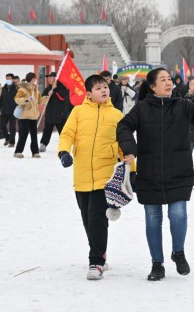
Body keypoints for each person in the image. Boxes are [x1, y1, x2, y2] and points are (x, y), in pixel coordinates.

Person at [117, 68, 194, 281]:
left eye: (169, 79)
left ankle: (178, 253)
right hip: (149, 171)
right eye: (163, 80)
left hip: (178, 168)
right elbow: (123, 126)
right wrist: (129, 149)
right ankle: (157, 264)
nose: (169, 83)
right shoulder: (141, 108)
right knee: (153, 219)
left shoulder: (181, 105)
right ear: (152, 86)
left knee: (178, 214)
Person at [57, 74, 124, 280]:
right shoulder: (78, 112)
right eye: (98, 88)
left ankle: (96, 261)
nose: (104, 90)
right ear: (88, 94)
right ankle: (100, 252)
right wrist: (64, 152)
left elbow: (124, 146)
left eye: (105, 87)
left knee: (96, 218)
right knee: (87, 219)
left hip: (105, 176)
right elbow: (67, 134)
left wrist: (132, 171)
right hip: (82, 175)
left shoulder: (117, 116)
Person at [13, 72, 49, 158]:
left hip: (33, 115)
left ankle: (35, 152)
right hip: (24, 116)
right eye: (34, 78)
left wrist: (47, 97)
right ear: (30, 79)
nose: (35, 80)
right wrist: (26, 99)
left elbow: (39, 101)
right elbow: (17, 99)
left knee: (34, 134)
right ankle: (18, 151)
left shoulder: (36, 90)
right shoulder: (22, 89)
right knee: (24, 133)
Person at [40, 72, 70, 152]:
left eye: (50, 77)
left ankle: (65, 146)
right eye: (48, 77)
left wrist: (55, 90)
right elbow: (42, 99)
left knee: (63, 132)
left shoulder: (62, 87)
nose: (49, 79)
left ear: (55, 78)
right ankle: (43, 144)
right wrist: (47, 96)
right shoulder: (48, 88)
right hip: (49, 114)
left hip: (60, 114)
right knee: (47, 131)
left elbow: (62, 97)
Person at [0, 74, 18, 147]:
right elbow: (1, 99)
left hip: (13, 110)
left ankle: (12, 142)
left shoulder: (16, 88)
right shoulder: (4, 88)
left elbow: (18, 99)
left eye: (9, 78)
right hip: (4, 110)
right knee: (2, 125)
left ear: (12, 79)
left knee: (12, 127)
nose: (8, 80)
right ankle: (7, 138)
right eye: (6, 78)